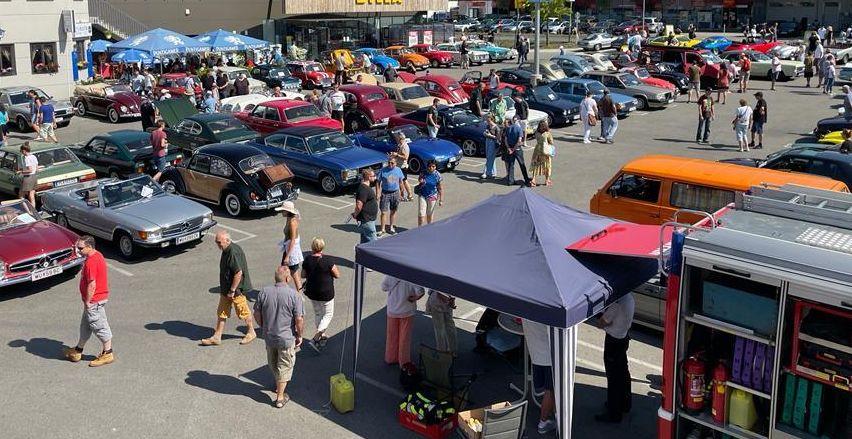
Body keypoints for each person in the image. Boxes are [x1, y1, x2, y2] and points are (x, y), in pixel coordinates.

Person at [254, 266, 304, 408]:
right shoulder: (294, 295)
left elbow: (256, 313)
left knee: (273, 362)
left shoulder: (264, 292)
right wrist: (299, 335)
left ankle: (278, 385)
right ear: (288, 278)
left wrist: (263, 326)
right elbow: (299, 319)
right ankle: (280, 398)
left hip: (269, 336)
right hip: (286, 338)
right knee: (285, 365)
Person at [62, 235, 115, 367]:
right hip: (93, 301)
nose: (78, 250)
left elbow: (92, 284)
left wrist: (88, 301)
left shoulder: (91, 262)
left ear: (89, 247)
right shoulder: (97, 256)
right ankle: (78, 350)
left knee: (99, 326)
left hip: (94, 301)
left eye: (80, 248)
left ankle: (107, 353)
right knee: (86, 326)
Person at [201, 230, 257, 346]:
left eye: (219, 242)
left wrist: (232, 290)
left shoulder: (233, 252)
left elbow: (238, 273)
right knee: (222, 311)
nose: (218, 245)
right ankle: (217, 336)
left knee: (243, 311)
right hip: (226, 289)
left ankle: (251, 331)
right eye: (217, 242)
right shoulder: (226, 249)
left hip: (235, 290)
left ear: (227, 240)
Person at [594, 293, 636, 424]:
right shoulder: (629, 298)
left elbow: (602, 323)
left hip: (614, 340)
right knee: (623, 373)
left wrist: (599, 318)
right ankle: (625, 403)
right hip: (623, 337)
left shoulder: (618, 303)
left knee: (613, 378)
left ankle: (614, 412)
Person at [301, 237, 339, 352]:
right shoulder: (328, 260)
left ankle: (322, 336)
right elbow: (337, 274)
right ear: (322, 247)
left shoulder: (307, 259)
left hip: (312, 292)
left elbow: (303, 275)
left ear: (312, 247)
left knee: (318, 314)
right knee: (328, 314)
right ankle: (317, 337)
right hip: (326, 293)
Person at [382, 275, 425, 368]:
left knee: (392, 335)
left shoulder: (390, 274)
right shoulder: (412, 276)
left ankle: (390, 357)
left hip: (392, 309)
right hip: (407, 311)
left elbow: (384, 287)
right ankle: (403, 361)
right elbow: (421, 291)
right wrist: (413, 298)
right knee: (404, 338)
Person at [522, 319, 557, 433]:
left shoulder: (527, 306)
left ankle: (553, 412)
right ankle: (543, 422)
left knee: (548, 390)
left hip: (536, 354)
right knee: (551, 391)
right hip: (550, 358)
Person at [276, 201, 304, 291]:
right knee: (285, 271)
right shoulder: (289, 218)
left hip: (292, 251)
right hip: (288, 248)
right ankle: (284, 290)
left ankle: (299, 295)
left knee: (294, 273)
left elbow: (293, 240)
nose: (282, 212)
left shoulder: (292, 222)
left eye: (283, 210)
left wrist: (287, 256)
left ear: (288, 211)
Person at [376, 157, 404, 236]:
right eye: (389, 163)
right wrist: (378, 193)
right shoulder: (383, 170)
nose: (390, 164)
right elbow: (378, 182)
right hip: (385, 193)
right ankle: (382, 229)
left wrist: (402, 192)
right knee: (383, 212)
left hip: (395, 193)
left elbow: (401, 182)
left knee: (393, 211)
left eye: (392, 163)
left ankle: (391, 227)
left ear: (395, 163)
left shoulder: (398, 170)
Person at [351, 169, 379, 243]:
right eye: (374, 176)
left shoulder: (366, 187)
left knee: (365, 240)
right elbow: (359, 205)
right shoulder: (363, 189)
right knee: (374, 243)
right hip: (367, 220)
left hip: (369, 219)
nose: (375, 177)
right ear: (369, 177)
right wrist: (355, 214)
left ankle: (361, 253)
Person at [426, 290, 456, 355]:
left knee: (439, 329)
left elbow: (432, 289)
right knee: (450, 327)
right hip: (449, 301)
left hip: (436, 301)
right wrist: (452, 300)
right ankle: (452, 350)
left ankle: (441, 352)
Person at [503, 115, 531, 186]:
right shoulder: (519, 129)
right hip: (517, 149)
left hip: (510, 148)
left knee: (511, 165)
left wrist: (509, 148)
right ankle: (526, 179)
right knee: (522, 164)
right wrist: (514, 149)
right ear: (518, 120)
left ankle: (510, 181)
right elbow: (519, 141)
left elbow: (505, 140)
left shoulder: (508, 129)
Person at [417, 160, 443, 226]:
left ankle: (429, 228)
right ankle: (419, 229)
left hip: (432, 196)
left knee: (430, 213)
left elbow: (440, 188)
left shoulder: (438, 175)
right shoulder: (423, 172)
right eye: (429, 166)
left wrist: (441, 199)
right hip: (422, 194)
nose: (431, 168)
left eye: (433, 166)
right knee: (421, 213)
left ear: (435, 167)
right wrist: (421, 180)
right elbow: (419, 179)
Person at [390, 131, 413, 201]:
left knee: (403, 181)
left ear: (400, 138)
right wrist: (394, 155)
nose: (396, 138)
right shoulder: (400, 145)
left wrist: (397, 155)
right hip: (399, 165)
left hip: (402, 167)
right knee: (402, 181)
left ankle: (407, 195)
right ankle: (406, 195)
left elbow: (405, 157)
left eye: (397, 137)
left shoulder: (405, 146)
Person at [530, 120, 554, 187]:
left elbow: (537, 139)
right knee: (547, 165)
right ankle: (547, 180)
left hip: (537, 150)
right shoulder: (547, 133)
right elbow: (551, 142)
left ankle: (533, 180)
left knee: (535, 165)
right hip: (545, 151)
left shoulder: (537, 133)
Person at [18, 142, 38, 207]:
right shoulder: (34, 156)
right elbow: (37, 168)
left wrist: (21, 171)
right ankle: (33, 211)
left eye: (21, 151)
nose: (21, 152)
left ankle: (28, 211)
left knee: (21, 195)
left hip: (28, 177)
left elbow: (30, 170)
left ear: (24, 150)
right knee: (31, 195)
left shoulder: (27, 158)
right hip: (34, 176)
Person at [481, 114, 500, 179]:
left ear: (492, 120)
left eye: (489, 121)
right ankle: (493, 172)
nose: (488, 122)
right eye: (487, 121)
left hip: (493, 142)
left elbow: (498, 138)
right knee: (490, 157)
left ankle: (486, 172)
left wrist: (490, 135)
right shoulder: (488, 126)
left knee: (489, 157)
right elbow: (485, 133)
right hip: (487, 141)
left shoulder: (496, 128)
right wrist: (485, 134)